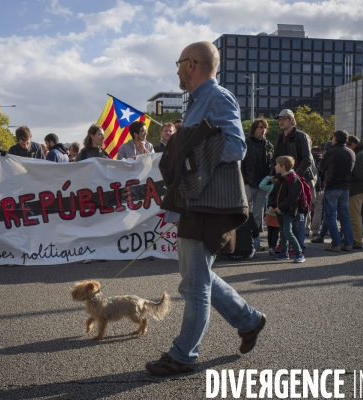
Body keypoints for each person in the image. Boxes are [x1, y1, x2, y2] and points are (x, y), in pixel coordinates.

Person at [145, 41, 265, 377]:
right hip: (197, 201)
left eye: (179, 63)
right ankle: (248, 320)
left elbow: (236, 146)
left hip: (209, 204)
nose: (178, 69)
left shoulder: (217, 96)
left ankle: (183, 354)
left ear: (192, 64)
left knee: (194, 284)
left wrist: (191, 157)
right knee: (197, 278)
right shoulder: (198, 102)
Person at [270, 109, 314, 254]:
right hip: (283, 180)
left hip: (299, 179)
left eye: (283, 119)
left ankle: (299, 246)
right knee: (284, 212)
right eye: (279, 119)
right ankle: (285, 245)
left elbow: (307, 159)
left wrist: (294, 175)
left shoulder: (301, 136)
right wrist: (273, 175)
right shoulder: (279, 138)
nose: (280, 122)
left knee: (298, 214)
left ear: (291, 120)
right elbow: (275, 159)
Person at [318, 129, 355, 252]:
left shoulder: (331, 152)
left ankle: (336, 243)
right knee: (344, 215)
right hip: (345, 187)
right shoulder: (351, 153)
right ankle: (348, 243)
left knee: (331, 216)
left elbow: (321, 167)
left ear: (336, 139)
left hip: (333, 186)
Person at [241, 118, 273, 251]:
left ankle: (255, 241)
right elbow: (241, 163)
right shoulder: (246, 142)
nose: (263, 129)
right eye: (260, 127)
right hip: (248, 182)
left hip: (261, 185)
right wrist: (243, 180)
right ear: (254, 129)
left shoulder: (268, 145)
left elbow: (271, 165)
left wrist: (268, 179)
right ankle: (241, 239)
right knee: (243, 211)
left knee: (258, 214)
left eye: (264, 127)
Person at [268, 156, 306, 262]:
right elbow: (273, 194)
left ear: (282, 166)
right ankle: (284, 252)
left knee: (287, 231)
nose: (275, 167)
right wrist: (271, 205)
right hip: (279, 210)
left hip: (288, 210)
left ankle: (299, 253)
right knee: (282, 230)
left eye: (276, 165)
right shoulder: (281, 178)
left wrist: (280, 207)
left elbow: (293, 197)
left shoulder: (293, 178)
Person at [259, 176, 280, 255]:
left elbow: (261, 185)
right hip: (278, 212)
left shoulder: (271, 187)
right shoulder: (282, 188)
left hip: (269, 211)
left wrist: (268, 178)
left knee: (270, 230)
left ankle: (270, 246)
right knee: (276, 231)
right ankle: (273, 247)